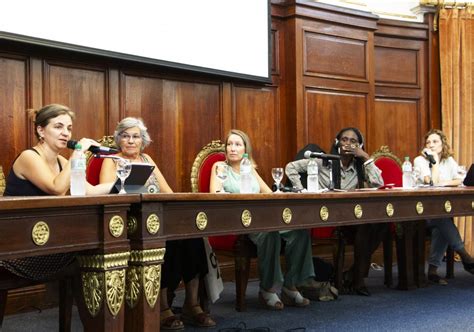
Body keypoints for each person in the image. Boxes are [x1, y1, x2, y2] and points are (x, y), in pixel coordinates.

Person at [99, 117, 215, 330]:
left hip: (155, 218)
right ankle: (162, 308)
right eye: (126, 136)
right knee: (165, 242)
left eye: (136, 137)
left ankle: (192, 304)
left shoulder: (147, 160)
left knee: (192, 236)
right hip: (127, 223)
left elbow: (168, 192)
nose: (131, 141)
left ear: (142, 140)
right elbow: (107, 197)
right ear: (119, 140)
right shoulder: (111, 161)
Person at [210, 129, 326, 310]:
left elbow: (270, 195)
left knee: (299, 231)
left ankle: (290, 286)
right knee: (269, 232)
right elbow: (214, 195)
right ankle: (268, 289)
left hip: (261, 218)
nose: (232, 148)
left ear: (245, 149)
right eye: (229, 144)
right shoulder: (220, 167)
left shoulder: (250, 169)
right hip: (237, 219)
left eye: (237, 144)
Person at [2, 103, 113, 280]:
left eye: (69, 128)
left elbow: (89, 191)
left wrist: (122, 182)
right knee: (90, 250)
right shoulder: (29, 157)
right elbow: (56, 188)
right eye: (58, 127)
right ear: (41, 130)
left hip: (48, 239)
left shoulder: (62, 161)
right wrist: (78, 154)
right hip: (18, 245)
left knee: (101, 247)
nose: (66, 133)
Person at [285, 127, 386, 296]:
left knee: (378, 225)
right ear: (337, 142)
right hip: (329, 215)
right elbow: (290, 168)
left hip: (352, 216)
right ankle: (357, 280)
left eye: (353, 141)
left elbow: (378, 183)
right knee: (366, 227)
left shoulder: (359, 166)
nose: (348, 144)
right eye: (344, 139)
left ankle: (354, 275)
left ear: (359, 146)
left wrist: (366, 158)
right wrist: (302, 190)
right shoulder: (323, 161)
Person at [414, 129, 474, 285]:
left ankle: (433, 271)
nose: (431, 145)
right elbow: (431, 182)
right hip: (419, 210)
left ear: (443, 144)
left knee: (441, 222)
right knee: (441, 218)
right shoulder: (419, 161)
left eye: (435, 142)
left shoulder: (449, 161)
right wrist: (433, 161)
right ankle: (465, 255)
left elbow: (460, 179)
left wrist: (444, 182)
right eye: (428, 142)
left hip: (440, 211)